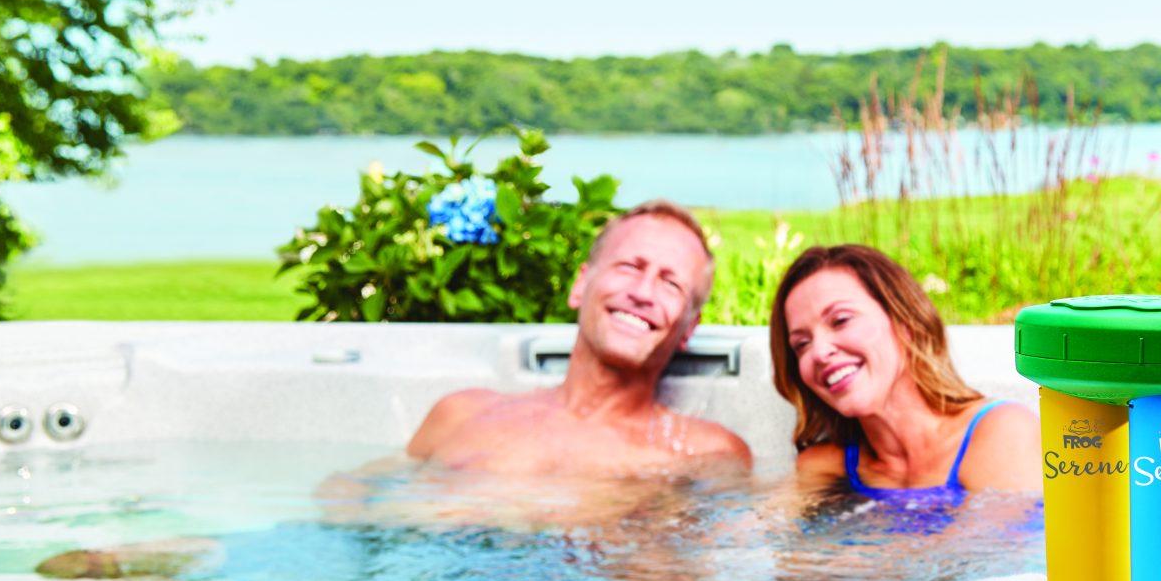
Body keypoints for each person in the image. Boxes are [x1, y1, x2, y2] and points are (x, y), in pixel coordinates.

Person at [406, 199, 753, 480]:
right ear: (580, 286)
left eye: (670, 284)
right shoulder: (459, 413)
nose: (643, 292)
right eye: (630, 267)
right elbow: (364, 512)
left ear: (689, 328)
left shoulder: (705, 454)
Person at [769, 244, 1041, 513]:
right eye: (801, 344)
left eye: (840, 320)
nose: (819, 351)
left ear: (906, 322)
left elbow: (993, 551)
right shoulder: (824, 467)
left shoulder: (1001, 432)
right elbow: (761, 537)